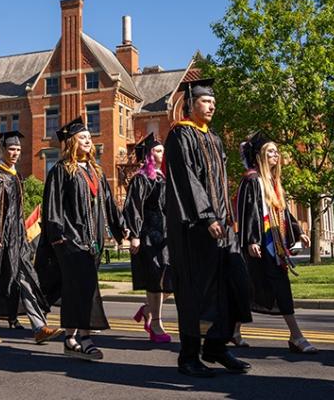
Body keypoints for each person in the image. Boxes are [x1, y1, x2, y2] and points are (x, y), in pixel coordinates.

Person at [164, 78, 252, 377]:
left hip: (221, 226)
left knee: (229, 285)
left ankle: (216, 346)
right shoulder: (180, 136)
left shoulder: (213, 138)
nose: (212, 104)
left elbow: (219, 185)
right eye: (205, 100)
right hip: (194, 228)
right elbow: (187, 182)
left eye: (213, 101)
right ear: (189, 104)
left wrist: (226, 218)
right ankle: (189, 356)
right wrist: (207, 217)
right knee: (196, 291)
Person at [39, 118, 128, 360]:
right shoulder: (61, 170)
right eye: (82, 137)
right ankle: (86, 338)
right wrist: (58, 237)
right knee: (87, 288)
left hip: (93, 241)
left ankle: (69, 338)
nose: (88, 140)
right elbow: (53, 206)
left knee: (76, 289)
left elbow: (109, 204)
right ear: (71, 142)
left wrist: (121, 229)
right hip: (70, 240)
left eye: (89, 137)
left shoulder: (96, 171)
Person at [0, 131, 63, 344]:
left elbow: (18, 213)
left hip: (16, 239)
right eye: (11, 149)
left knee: (27, 278)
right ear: (2, 150)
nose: (15, 153)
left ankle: (39, 327)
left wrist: (22, 239)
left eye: (18, 149)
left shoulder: (15, 177)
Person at [234, 132, 317, 354]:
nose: (276, 155)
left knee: (260, 286)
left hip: (274, 240)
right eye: (270, 151)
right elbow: (247, 213)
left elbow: (283, 212)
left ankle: (236, 329)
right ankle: (296, 336)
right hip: (260, 241)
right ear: (260, 155)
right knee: (257, 286)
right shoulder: (251, 180)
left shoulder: (273, 183)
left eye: (276, 152)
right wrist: (251, 239)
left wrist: (298, 232)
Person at [123, 133, 173, 343]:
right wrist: (134, 235)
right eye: (159, 150)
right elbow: (133, 207)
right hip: (148, 236)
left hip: (165, 236)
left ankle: (147, 309)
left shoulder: (163, 177)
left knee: (170, 281)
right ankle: (156, 324)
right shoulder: (142, 178)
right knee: (155, 282)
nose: (163, 153)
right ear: (150, 154)